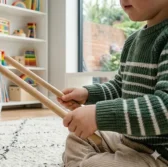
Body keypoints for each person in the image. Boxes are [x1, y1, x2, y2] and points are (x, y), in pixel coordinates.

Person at [57, 0, 168, 166]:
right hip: (128, 140)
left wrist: (98, 115)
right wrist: (88, 94)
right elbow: (119, 87)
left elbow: (164, 109)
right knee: (77, 138)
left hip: (160, 156)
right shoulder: (132, 41)